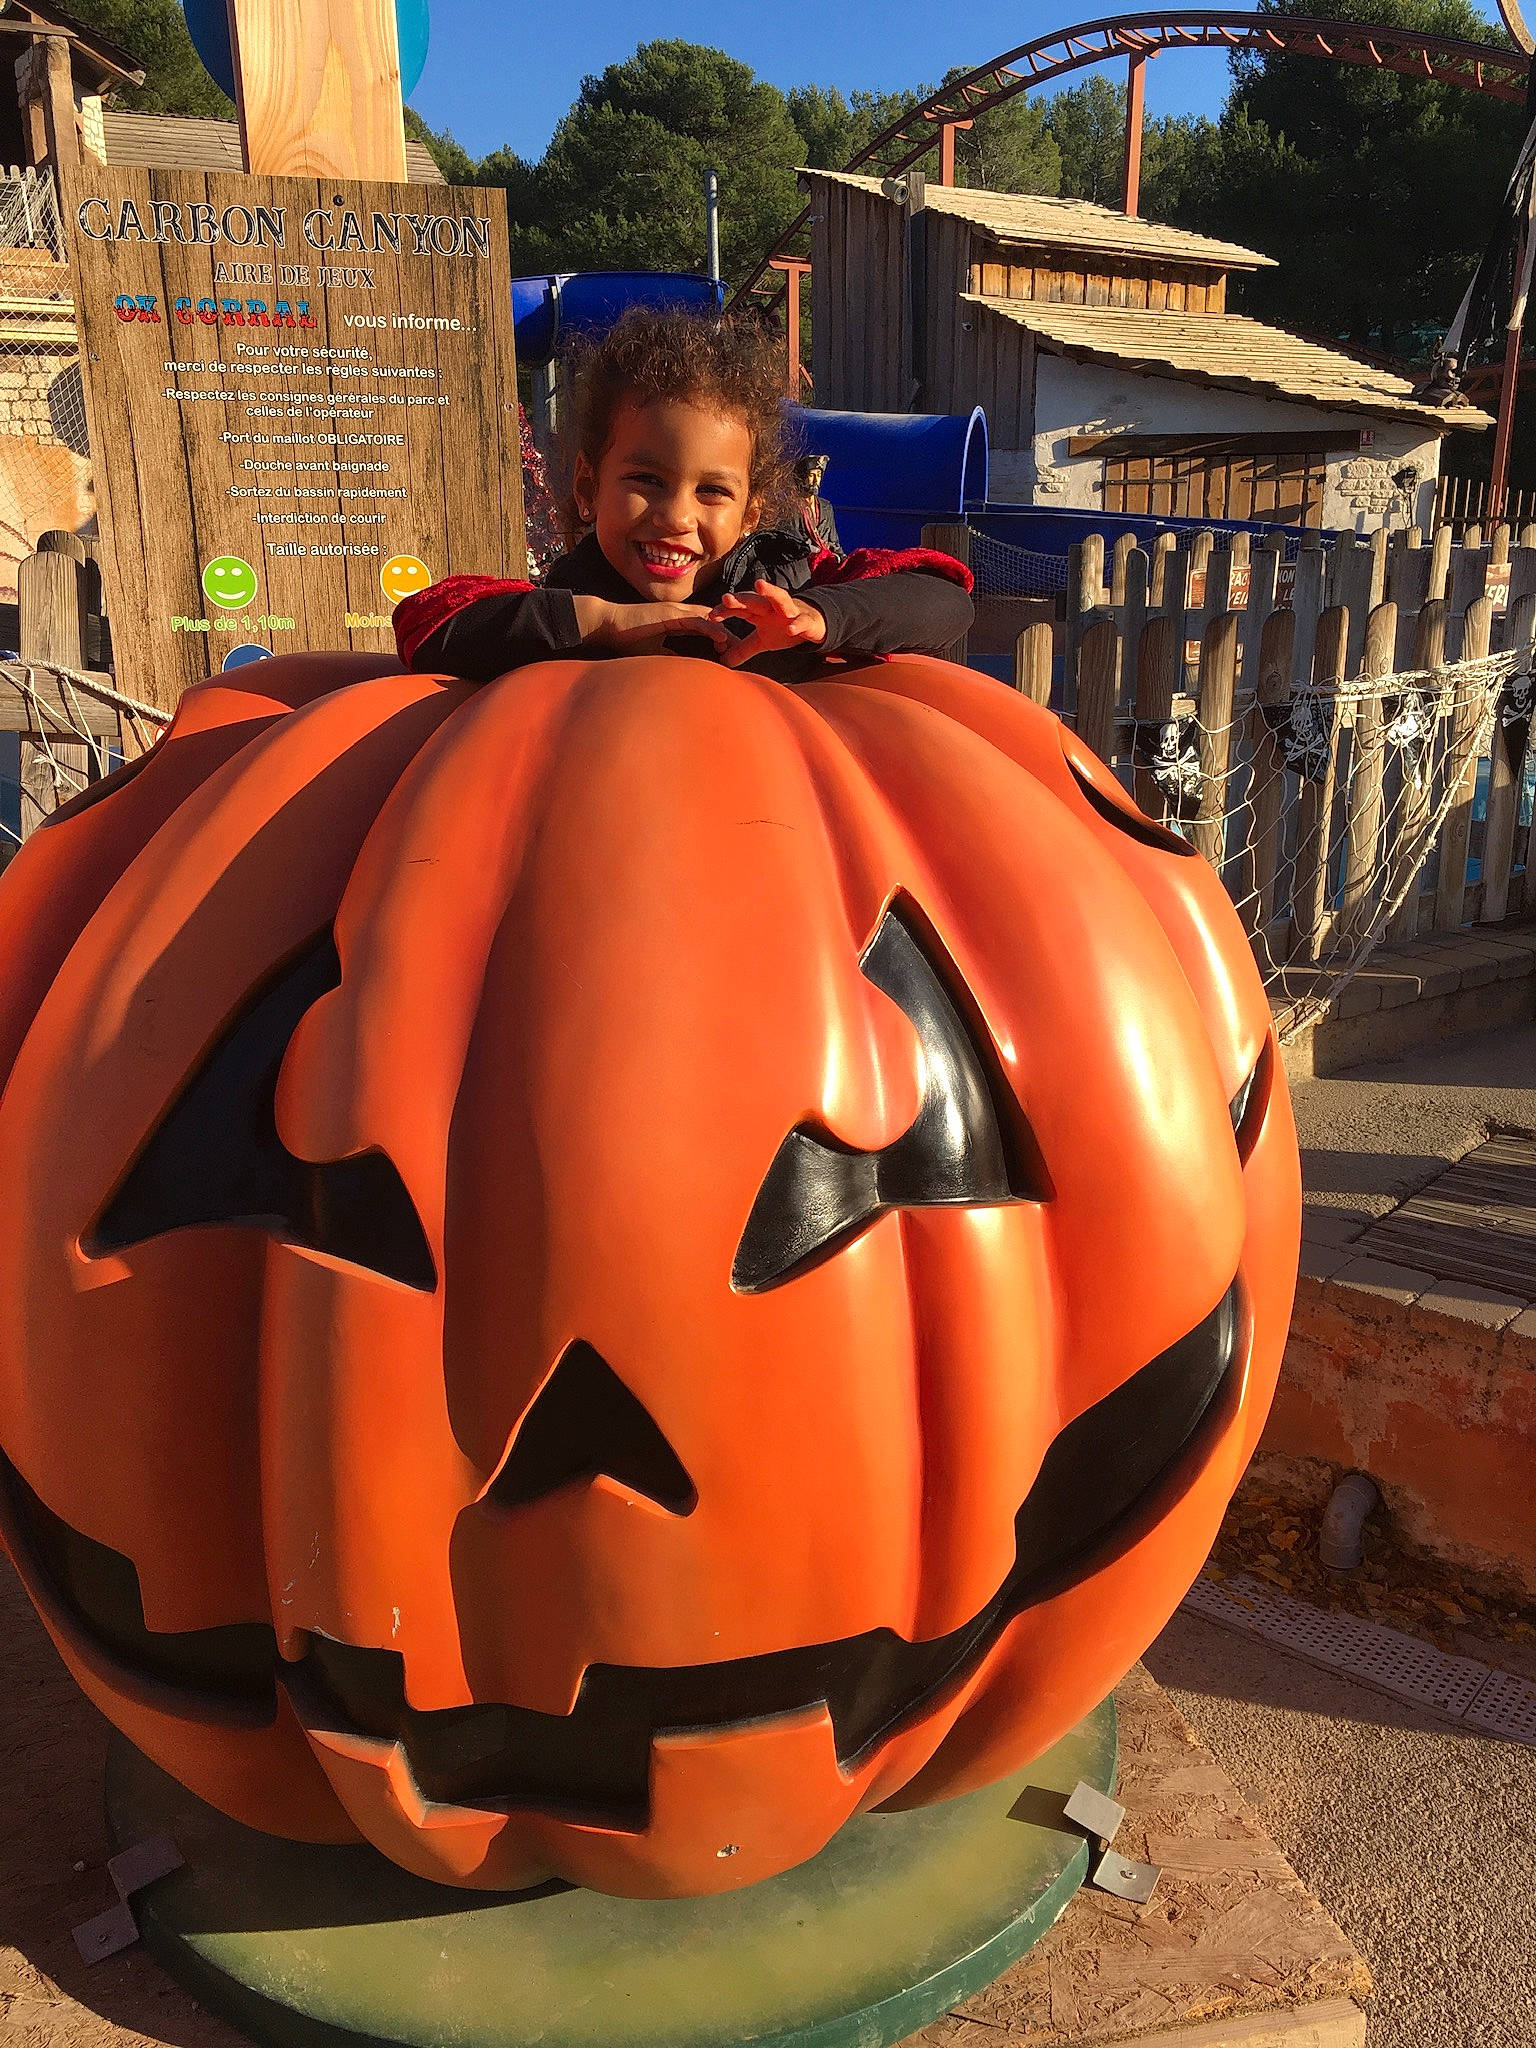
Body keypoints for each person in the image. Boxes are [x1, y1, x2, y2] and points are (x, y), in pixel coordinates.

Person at [392, 308, 973, 688]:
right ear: (589, 488)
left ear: (750, 512)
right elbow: (424, 621)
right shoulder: (572, 597)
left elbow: (945, 599)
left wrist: (821, 618)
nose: (676, 517)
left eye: (713, 491)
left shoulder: (786, 583)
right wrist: (605, 623)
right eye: (645, 481)